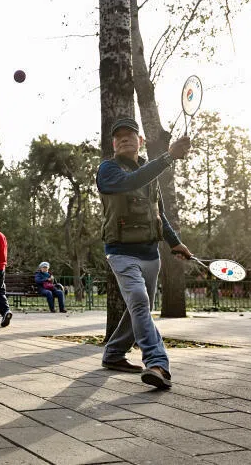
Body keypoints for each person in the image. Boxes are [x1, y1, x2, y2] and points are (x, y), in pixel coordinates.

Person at [96, 117, 192, 390]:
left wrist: (175, 242)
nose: (124, 138)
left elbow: (157, 213)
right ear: (113, 144)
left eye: (131, 134)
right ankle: (157, 363)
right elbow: (128, 183)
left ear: (141, 141)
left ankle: (114, 354)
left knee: (139, 307)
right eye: (119, 136)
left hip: (150, 254)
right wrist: (168, 157)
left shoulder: (150, 175)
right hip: (121, 253)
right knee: (139, 300)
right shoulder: (108, 170)